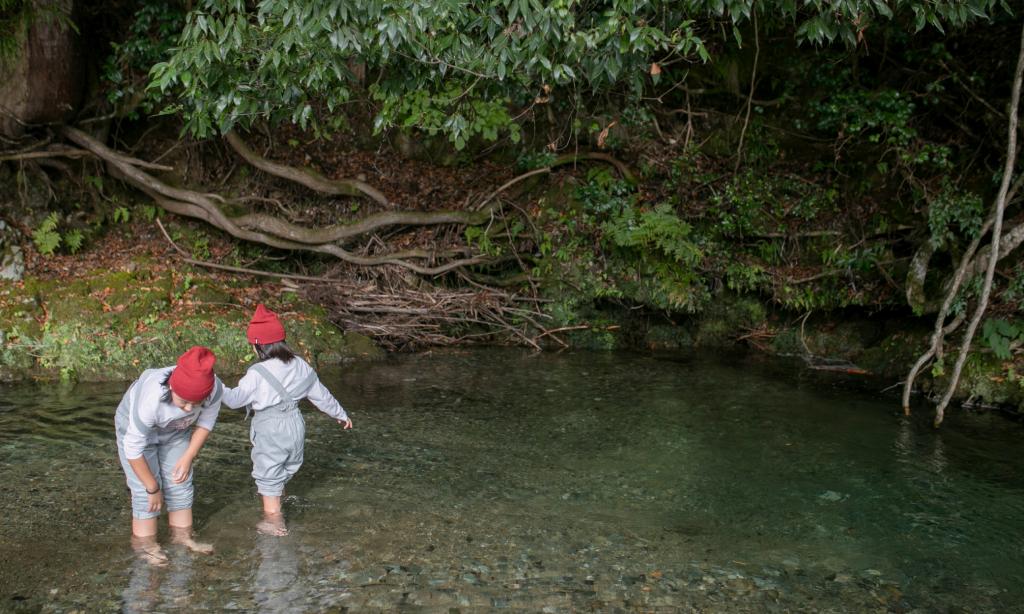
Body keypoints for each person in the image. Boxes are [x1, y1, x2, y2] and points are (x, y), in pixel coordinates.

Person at [222, 304, 353, 536]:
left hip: (270, 427)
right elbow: (321, 396)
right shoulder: (301, 365)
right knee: (286, 465)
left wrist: (215, 388)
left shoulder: (257, 373)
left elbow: (234, 400)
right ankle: (278, 497)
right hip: (295, 424)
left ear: (257, 345)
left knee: (268, 476)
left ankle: (275, 522)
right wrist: (340, 414)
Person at [114, 345, 225, 564]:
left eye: (195, 404)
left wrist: (188, 456)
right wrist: (152, 488)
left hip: (176, 432)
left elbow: (206, 422)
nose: (188, 409)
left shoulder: (214, 389)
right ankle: (146, 546)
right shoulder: (152, 398)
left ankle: (182, 539)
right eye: (183, 401)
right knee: (145, 495)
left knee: (180, 483)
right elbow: (133, 449)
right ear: (172, 387)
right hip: (136, 431)